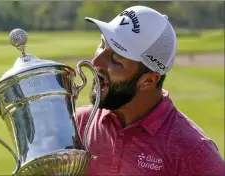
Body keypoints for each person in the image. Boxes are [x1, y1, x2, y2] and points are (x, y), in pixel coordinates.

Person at [75, 5, 224, 176]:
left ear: (149, 80)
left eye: (116, 59)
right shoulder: (77, 123)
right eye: (102, 44)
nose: (96, 62)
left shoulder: (194, 151)